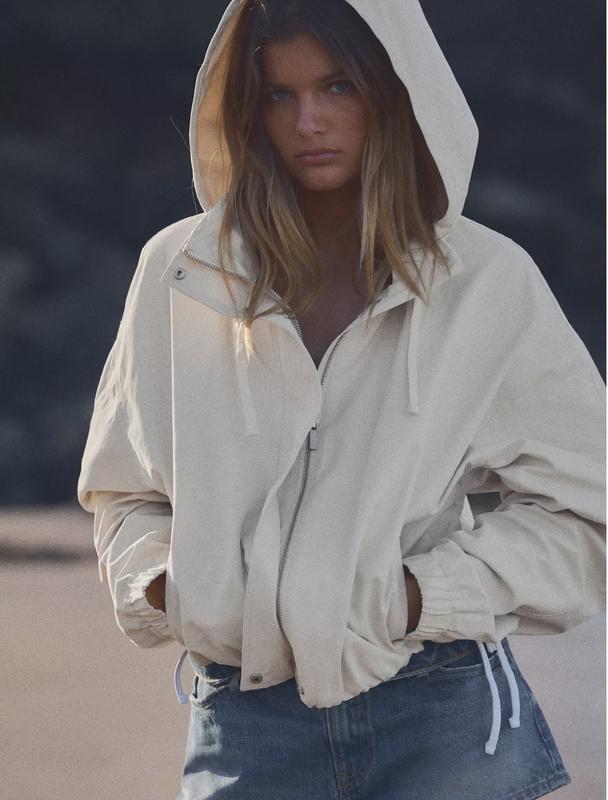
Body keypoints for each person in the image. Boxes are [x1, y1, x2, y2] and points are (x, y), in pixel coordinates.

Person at [76, 1, 605, 798]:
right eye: (278, 94)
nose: (308, 122)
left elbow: (588, 509)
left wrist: (415, 598)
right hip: (246, 717)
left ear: (394, 92)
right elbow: (124, 488)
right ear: (247, 110)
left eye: (337, 86)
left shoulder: (485, 283)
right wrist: (174, 588)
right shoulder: (182, 272)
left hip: (440, 707)